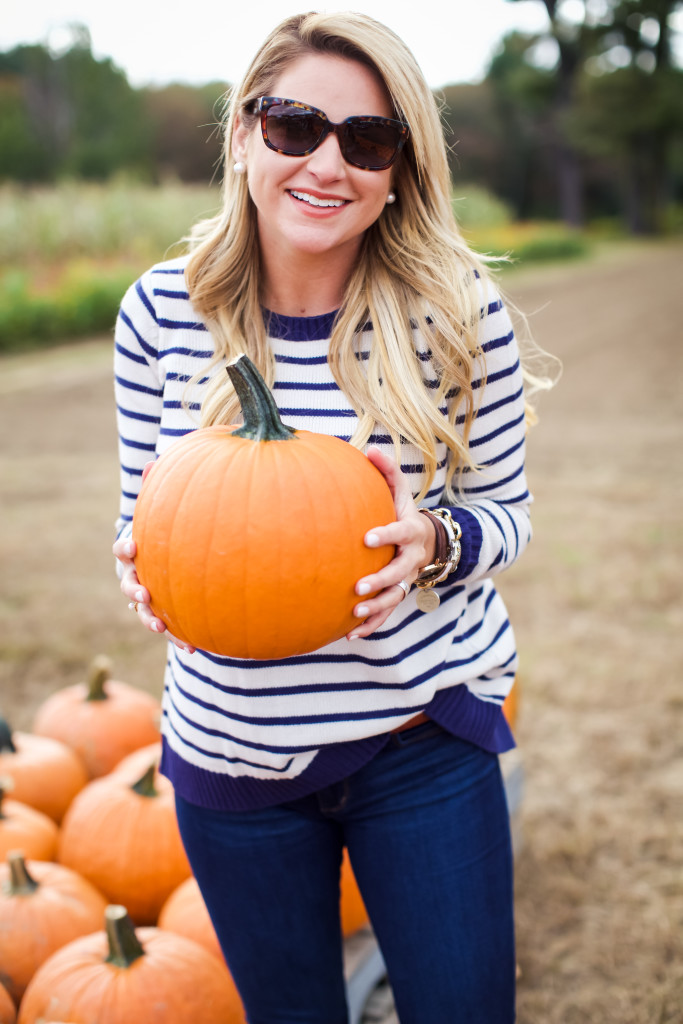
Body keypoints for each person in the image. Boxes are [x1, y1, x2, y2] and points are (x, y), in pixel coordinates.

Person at [113, 12, 541, 1023]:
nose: (327, 162)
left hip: (417, 742)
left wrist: (433, 543)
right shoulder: (161, 311)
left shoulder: (452, 310)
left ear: (399, 168)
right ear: (242, 135)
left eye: (367, 140)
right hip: (230, 753)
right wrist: (139, 568)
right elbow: (147, 518)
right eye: (295, 125)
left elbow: (506, 514)